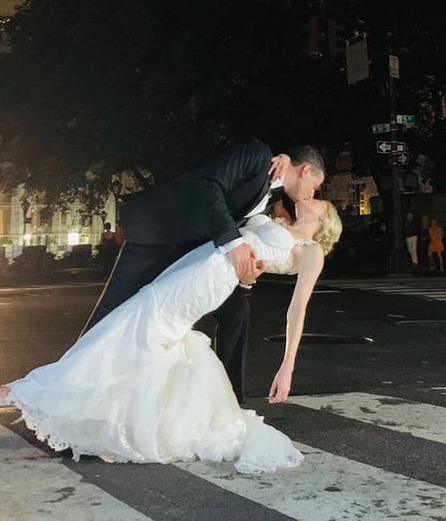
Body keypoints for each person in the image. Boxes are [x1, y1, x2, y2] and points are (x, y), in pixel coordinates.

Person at [0, 198, 342, 474]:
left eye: (319, 200)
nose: (311, 198)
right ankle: (81, 403)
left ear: (325, 219)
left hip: (209, 278)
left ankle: (31, 389)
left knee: (134, 325)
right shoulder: (278, 221)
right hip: (200, 262)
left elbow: (297, 309)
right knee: (137, 328)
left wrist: (287, 366)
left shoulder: (312, 252)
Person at [79, 140, 325, 402]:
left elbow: (249, 234)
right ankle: (65, 389)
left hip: (196, 258)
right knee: (112, 313)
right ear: (306, 170)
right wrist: (234, 244)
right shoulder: (258, 156)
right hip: (161, 234)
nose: (313, 194)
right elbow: (208, 185)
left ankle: (230, 401)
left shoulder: (271, 197)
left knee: (237, 310)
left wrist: (248, 275)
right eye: (316, 186)